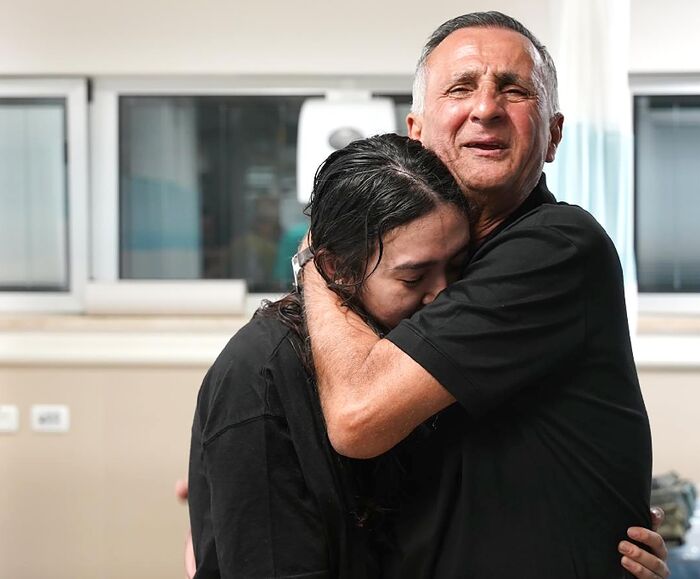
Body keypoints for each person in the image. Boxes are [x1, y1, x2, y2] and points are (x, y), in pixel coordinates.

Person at [187, 134, 667, 578]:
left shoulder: (409, 352)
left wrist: (595, 533)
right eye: (414, 278)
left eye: (457, 267)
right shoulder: (262, 372)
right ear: (338, 268)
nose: (442, 294)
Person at [302, 12, 663, 579]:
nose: (487, 108)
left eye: (513, 90)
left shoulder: (556, 248)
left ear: (554, 136)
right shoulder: (424, 266)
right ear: (415, 132)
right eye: (461, 87)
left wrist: (314, 263)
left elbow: (357, 417)